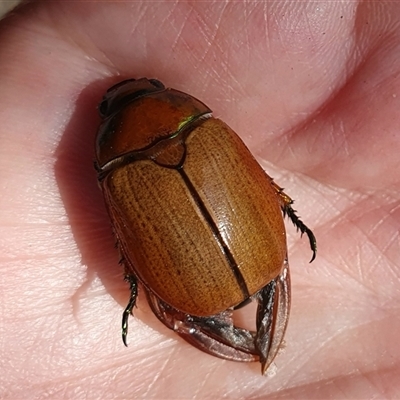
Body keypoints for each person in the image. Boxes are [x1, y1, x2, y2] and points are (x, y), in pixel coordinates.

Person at [1, 1, 399, 398]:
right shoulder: (207, 132)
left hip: (203, 279)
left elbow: (126, 233)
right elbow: (254, 179)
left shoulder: (118, 172)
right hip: (241, 259)